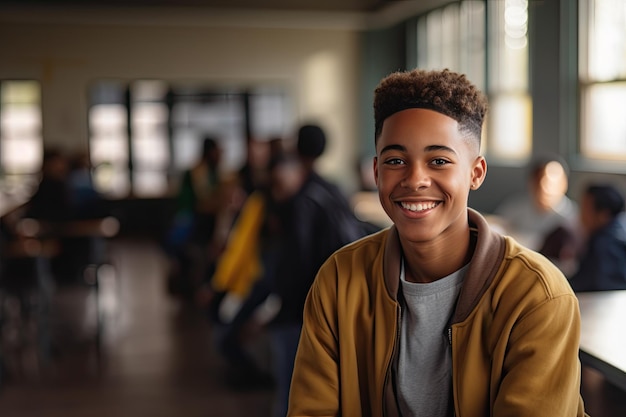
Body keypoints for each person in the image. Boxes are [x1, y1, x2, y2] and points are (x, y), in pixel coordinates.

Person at [288, 69, 587, 416]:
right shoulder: (339, 280)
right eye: (396, 161)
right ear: (376, 172)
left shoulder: (536, 296)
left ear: (475, 173)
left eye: (439, 161)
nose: (415, 179)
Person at [568, 183, 626, 292]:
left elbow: (597, 285)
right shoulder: (619, 230)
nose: (581, 215)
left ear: (603, 215)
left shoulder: (604, 245)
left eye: (586, 209)